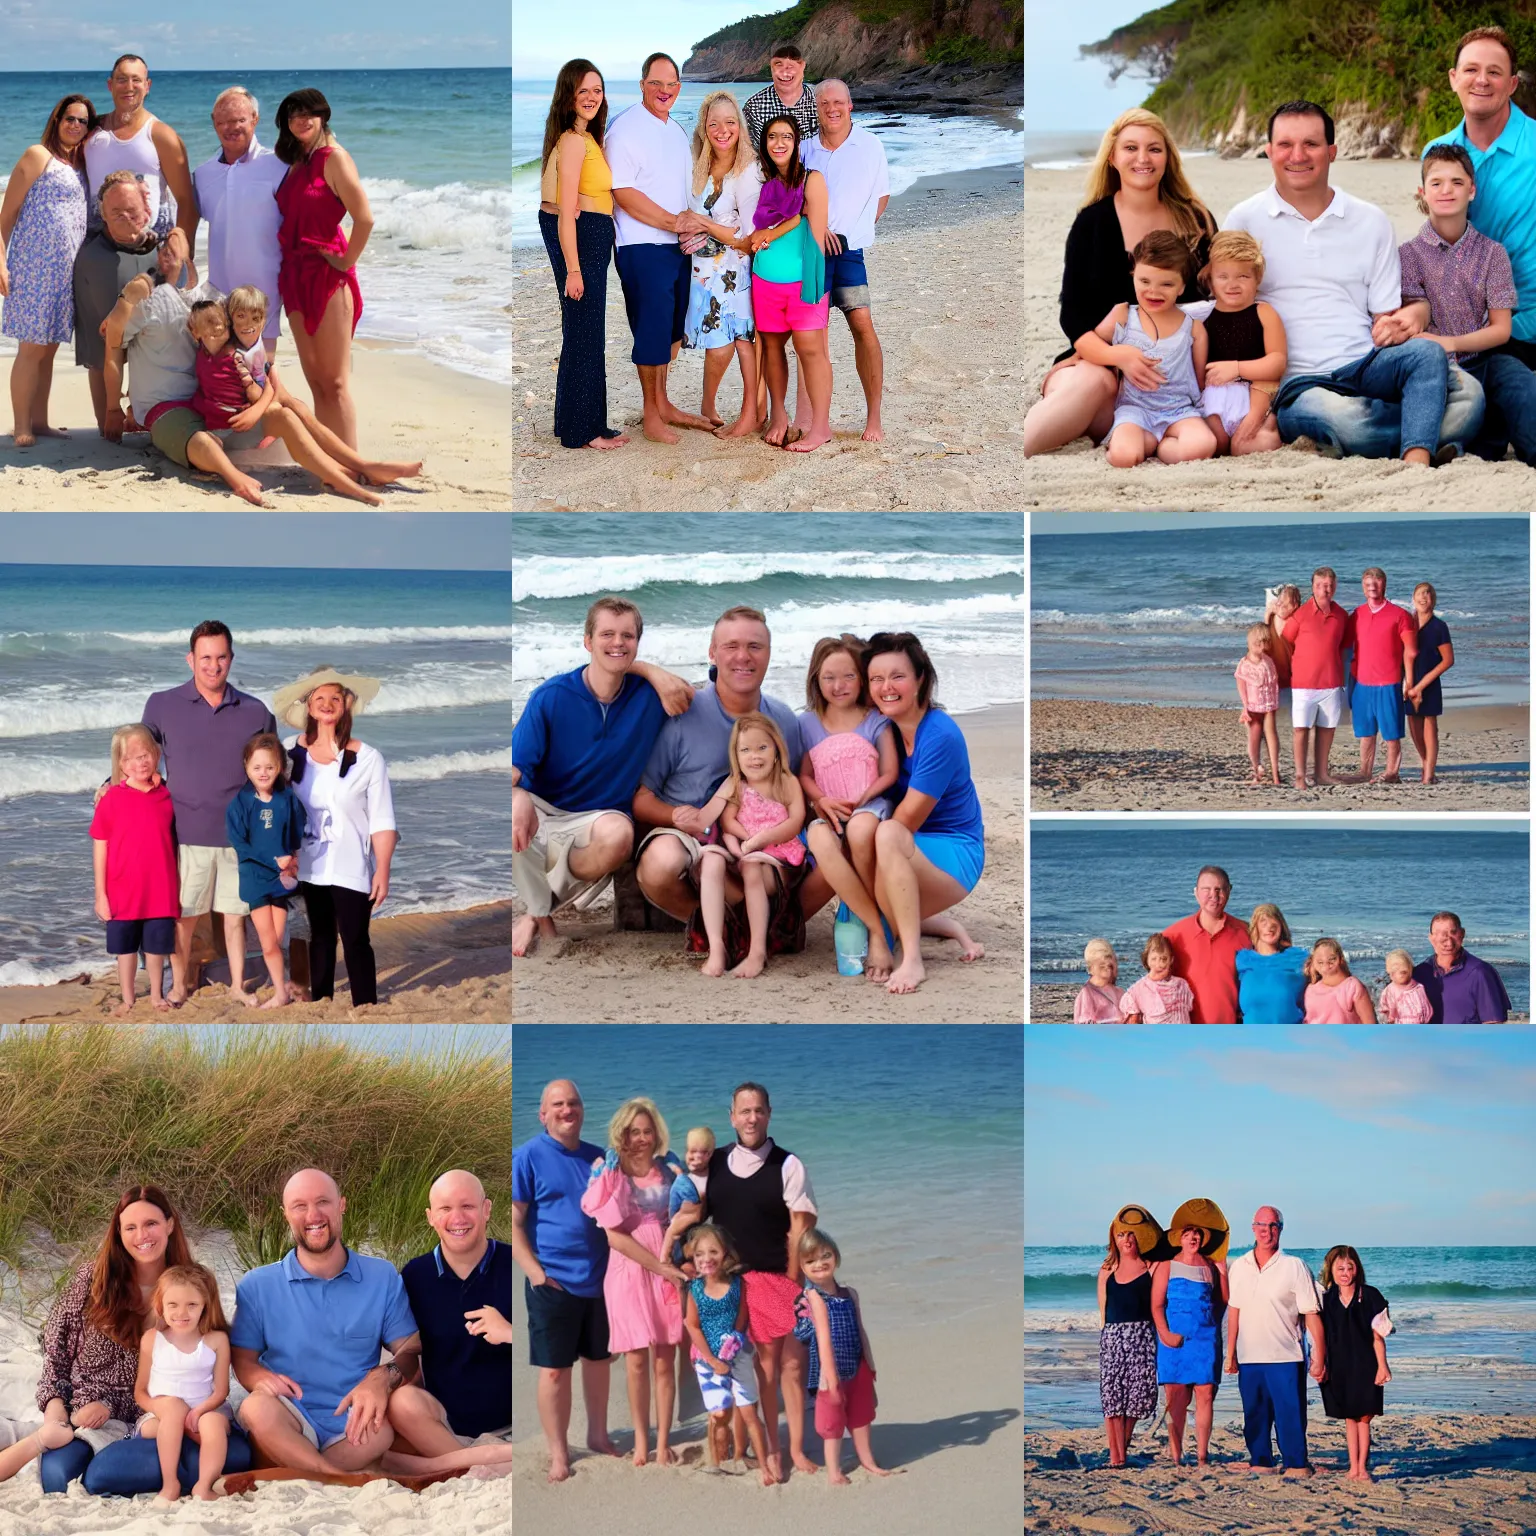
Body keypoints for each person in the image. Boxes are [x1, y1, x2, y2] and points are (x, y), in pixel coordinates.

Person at [1225, 100, 1483, 463]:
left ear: (1332, 151)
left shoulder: (1370, 220)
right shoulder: (1244, 220)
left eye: (1311, 144)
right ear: (1268, 151)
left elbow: (1385, 314)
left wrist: (1402, 321)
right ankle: (1419, 437)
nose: (1297, 155)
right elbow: (1225, 304)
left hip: (1367, 364)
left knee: (1468, 394)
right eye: (1285, 144)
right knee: (1353, 423)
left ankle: (1409, 437)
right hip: (1300, 383)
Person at [99, 237, 419, 504]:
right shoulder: (147, 303)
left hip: (218, 405)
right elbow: (112, 339)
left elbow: (263, 368)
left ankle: (356, 466)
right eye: (166, 257)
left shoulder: (214, 300)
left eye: (179, 255)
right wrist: (118, 407)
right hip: (175, 409)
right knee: (203, 438)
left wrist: (260, 409)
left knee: (290, 407)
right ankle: (235, 477)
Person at [634, 607, 832, 963]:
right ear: (712, 652)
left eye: (755, 646)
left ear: (769, 654)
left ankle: (769, 924)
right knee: (662, 861)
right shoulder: (681, 713)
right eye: (731, 646)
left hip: (764, 843)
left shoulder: (784, 720)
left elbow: (797, 789)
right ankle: (724, 928)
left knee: (835, 846)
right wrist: (677, 816)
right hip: (695, 837)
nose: (743, 656)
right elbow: (641, 797)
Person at [34, 1186, 253, 1496]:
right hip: (91, 1417)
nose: (142, 1235)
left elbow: (211, 1354)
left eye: (151, 1223)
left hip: (162, 1419)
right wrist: (57, 1417)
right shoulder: (90, 1280)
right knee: (60, 1477)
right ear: (119, 1233)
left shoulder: (189, 1288)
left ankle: (186, 1476)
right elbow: (55, 1360)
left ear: (170, 1225)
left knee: (233, 1452)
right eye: (131, 1227)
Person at [1025, 108, 1215, 457]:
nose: (1143, 158)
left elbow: (1215, 300)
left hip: (1175, 388)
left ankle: (1155, 440)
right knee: (1093, 379)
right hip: (1101, 368)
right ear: (1112, 157)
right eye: (1131, 148)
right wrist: (1119, 356)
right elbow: (1074, 318)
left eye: (1154, 149)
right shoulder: (1092, 223)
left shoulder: (1196, 220)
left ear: (1168, 158)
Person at [513, 597, 691, 957]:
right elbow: (516, 770)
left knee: (619, 836)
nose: (618, 643)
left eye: (627, 636)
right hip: (545, 807)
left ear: (638, 644)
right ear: (587, 641)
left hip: (599, 818)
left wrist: (648, 671)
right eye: (607, 634)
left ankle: (538, 907)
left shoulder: (648, 696)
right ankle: (539, 912)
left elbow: (686, 695)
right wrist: (517, 798)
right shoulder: (551, 697)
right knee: (509, 810)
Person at [231, 1168, 422, 1474]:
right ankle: (334, 1477)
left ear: (341, 1204)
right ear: (285, 1215)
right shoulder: (257, 1284)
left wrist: (383, 1377)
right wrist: (259, 1378)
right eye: (299, 1206)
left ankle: (305, 1472)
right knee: (256, 1407)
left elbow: (411, 1350)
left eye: (323, 1202)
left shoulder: (381, 1276)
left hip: (355, 1421)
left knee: (383, 1429)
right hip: (290, 1416)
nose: (313, 1215)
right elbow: (243, 1359)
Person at [142, 621, 276, 1005]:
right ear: (190, 659)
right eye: (205, 658)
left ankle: (237, 986)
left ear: (231, 659)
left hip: (239, 837)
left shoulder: (255, 711)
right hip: (186, 832)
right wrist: (109, 783)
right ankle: (179, 985)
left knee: (236, 920)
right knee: (183, 919)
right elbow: (140, 756)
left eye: (220, 657)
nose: (213, 666)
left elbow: (271, 772)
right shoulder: (161, 704)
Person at [1422, 26, 1536, 464]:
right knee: (1484, 434)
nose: (1481, 80)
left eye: (1494, 72)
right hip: (1469, 327)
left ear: (1511, 84)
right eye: (1471, 69)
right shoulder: (1439, 151)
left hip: (1523, 323)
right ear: (1454, 78)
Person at [704, 1083, 818, 1478]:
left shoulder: (788, 1165)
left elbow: (801, 1230)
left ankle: (791, 1450)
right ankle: (748, 1446)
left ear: (769, 1114)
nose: (752, 1118)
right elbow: (690, 1214)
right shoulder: (713, 1163)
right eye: (744, 1111)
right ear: (731, 1116)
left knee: (783, 1368)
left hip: (774, 1280)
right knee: (739, 1366)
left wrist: (792, 1285)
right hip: (728, 1287)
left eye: (759, 1111)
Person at [865, 632, 987, 994]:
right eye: (876, 678)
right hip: (912, 848)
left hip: (955, 852)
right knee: (861, 913)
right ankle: (940, 926)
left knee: (884, 834)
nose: (886, 687)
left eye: (897, 676)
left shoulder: (939, 736)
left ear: (920, 680)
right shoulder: (883, 727)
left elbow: (904, 823)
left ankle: (913, 959)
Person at [512, 1080, 619, 1483]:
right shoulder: (526, 1156)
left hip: (600, 1279)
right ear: (543, 1114)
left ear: (582, 1109)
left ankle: (597, 1434)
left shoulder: (598, 1158)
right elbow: (515, 1221)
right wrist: (537, 1273)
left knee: (599, 1361)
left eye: (573, 1102)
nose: (566, 1110)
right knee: (555, 1370)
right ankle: (558, 1452)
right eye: (557, 1104)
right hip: (551, 1281)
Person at [606, 53, 715, 444]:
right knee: (650, 332)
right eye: (656, 83)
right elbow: (623, 193)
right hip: (642, 246)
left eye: (671, 84)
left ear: (679, 88)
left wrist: (693, 225)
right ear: (642, 85)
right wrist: (674, 223)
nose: (664, 91)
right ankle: (652, 416)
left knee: (671, 331)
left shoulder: (676, 131)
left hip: (677, 247)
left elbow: (683, 188)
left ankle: (664, 404)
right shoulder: (624, 129)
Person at [273, 667, 396, 1008]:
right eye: (319, 698)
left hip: (351, 864)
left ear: (345, 705)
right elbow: (269, 798)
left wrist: (382, 869)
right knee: (320, 937)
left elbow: (383, 820)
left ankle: (366, 1005)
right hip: (306, 865)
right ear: (308, 706)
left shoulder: (368, 759)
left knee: (356, 938)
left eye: (335, 698)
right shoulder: (288, 753)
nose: (327, 704)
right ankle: (322, 1001)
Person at [1391, 146, 1521, 460]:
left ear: (1472, 191)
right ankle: (1450, 443)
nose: (1446, 190)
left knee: (1523, 396)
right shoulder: (1407, 255)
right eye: (1436, 183)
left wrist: (1450, 342)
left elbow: (1501, 329)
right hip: (1436, 368)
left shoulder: (1493, 253)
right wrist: (1440, 349)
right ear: (1422, 192)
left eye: (1457, 182)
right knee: (1466, 399)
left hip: (1484, 358)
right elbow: (1412, 322)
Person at [580, 1098, 687, 1468]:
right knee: (636, 1361)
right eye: (634, 1131)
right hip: (628, 1267)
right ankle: (642, 1442)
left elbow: (690, 1215)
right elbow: (613, 1236)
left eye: (647, 1131)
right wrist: (662, 1269)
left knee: (664, 1359)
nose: (641, 1138)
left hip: (666, 1260)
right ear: (621, 1133)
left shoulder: (670, 1169)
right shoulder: (608, 1170)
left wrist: (676, 1264)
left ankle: (663, 1443)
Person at [392, 1170, 514, 1474]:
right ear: (431, 1217)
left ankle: (454, 1466)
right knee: (403, 1401)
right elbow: (405, 1354)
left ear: (486, 1209)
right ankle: (474, 1460)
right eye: (445, 1209)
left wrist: (511, 1332)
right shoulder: (414, 1276)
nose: (457, 1218)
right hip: (447, 1426)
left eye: (467, 1206)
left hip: (517, 1422)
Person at [273, 89, 372, 449]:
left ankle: (350, 464)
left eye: (309, 112)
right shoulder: (297, 161)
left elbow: (364, 218)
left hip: (327, 276)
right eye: (293, 113)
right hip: (294, 276)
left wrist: (346, 262)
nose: (301, 119)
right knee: (316, 381)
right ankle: (332, 462)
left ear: (324, 116)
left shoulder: (335, 158)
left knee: (336, 383)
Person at [798, 634, 900, 982]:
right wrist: (820, 800)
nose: (838, 686)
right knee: (823, 841)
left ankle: (872, 931)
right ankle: (873, 924)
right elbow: (804, 774)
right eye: (828, 677)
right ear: (816, 679)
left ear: (861, 677)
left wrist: (863, 798)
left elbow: (890, 772)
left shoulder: (875, 719)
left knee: (858, 830)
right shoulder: (807, 723)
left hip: (870, 806)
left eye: (848, 676)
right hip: (827, 811)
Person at [539, 60, 628, 451]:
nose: (592, 97)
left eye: (597, 89)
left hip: (590, 233)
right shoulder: (574, 141)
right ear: (569, 96)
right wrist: (573, 269)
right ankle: (584, 431)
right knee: (585, 334)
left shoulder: (585, 136)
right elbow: (565, 210)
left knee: (581, 333)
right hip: (583, 239)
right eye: (583, 91)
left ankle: (575, 422)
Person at [0, 94, 93, 445]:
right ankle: (21, 425)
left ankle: (40, 421)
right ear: (57, 120)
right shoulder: (38, 156)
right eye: (70, 118)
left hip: (65, 271)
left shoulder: (78, 165)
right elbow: (5, 217)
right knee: (31, 348)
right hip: (33, 267)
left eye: (83, 121)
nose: (76, 125)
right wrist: (0, 262)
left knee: (50, 348)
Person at [801, 80, 890, 442]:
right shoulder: (805, 149)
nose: (831, 109)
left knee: (862, 325)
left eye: (838, 102)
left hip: (849, 250)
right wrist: (817, 230)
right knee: (814, 336)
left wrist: (855, 231)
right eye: (824, 104)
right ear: (816, 108)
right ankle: (817, 420)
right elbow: (797, 201)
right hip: (811, 252)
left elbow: (881, 195)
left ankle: (874, 419)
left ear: (850, 105)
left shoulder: (870, 145)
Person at [1079, 231, 1215, 468]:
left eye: (1166, 284)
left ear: (1182, 286)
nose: (1153, 291)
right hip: (1135, 409)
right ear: (1133, 275)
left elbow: (1199, 381)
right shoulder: (1123, 315)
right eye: (1144, 282)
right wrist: (1073, 359)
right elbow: (1092, 343)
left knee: (1203, 445)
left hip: (1179, 410)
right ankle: (1147, 442)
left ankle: (1162, 448)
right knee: (1124, 457)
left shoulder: (1193, 328)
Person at [696, 712, 807, 979]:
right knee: (711, 860)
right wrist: (739, 844)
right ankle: (716, 947)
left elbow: (795, 822)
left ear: (776, 750)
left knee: (752, 866)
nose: (754, 756)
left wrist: (760, 841)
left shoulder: (787, 781)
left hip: (777, 856)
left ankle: (757, 952)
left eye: (762, 748)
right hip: (744, 851)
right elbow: (727, 821)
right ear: (736, 755)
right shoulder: (736, 785)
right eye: (746, 750)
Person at [73, 170, 184, 432]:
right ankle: (109, 417)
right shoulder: (93, 258)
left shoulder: (159, 246)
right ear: (103, 215)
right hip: (102, 300)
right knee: (104, 348)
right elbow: (109, 335)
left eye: (131, 210)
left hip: (153, 342)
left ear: (146, 208)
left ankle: (142, 410)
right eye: (116, 212)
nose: (125, 217)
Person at [750, 115, 832, 451]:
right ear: (765, 143)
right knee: (772, 349)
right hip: (765, 280)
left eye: (786, 136)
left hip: (803, 280)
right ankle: (779, 415)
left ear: (797, 143)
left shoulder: (812, 179)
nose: (779, 143)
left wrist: (771, 232)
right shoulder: (761, 182)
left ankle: (820, 427)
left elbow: (812, 223)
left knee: (810, 350)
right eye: (772, 137)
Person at [682, 91, 762, 437]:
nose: (722, 129)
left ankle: (753, 414)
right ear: (704, 126)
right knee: (716, 344)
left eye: (730, 122)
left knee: (741, 341)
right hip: (701, 272)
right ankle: (708, 404)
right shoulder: (695, 165)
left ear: (740, 127)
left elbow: (750, 237)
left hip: (736, 270)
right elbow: (683, 213)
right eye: (714, 123)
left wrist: (705, 225)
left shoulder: (748, 171)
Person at [1224, 1206, 1324, 1475]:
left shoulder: (1294, 1266)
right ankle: (1261, 1461)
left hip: (1286, 1356)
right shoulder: (1239, 1267)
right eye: (1261, 1225)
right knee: (1254, 1414)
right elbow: (1234, 1311)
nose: (1266, 1231)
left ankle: (1296, 1463)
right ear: (1253, 1228)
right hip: (1249, 1356)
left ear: (1280, 1229)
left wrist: (1320, 1356)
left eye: (1273, 1226)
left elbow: (1311, 1313)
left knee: (1290, 1414)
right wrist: (1230, 1352)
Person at [193, 87, 287, 365]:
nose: (230, 128)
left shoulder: (279, 165)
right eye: (222, 122)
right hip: (219, 297)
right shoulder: (202, 175)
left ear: (255, 119)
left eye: (238, 120)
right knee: (223, 381)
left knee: (261, 377)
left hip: (264, 298)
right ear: (213, 122)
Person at [794, 1228, 895, 1484]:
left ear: (836, 1258)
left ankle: (867, 1460)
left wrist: (869, 1366)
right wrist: (831, 1378)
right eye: (810, 1260)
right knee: (832, 1423)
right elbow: (822, 1339)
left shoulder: (850, 1294)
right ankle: (834, 1470)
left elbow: (860, 1330)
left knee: (862, 1415)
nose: (819, 1263)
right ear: (802, 1267)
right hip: (829, 1372)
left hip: (857, 1364)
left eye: (825, 1255)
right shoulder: (812, 1298)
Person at [90, 723, 177, 1015]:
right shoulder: (111, 798)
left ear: (156, 754)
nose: (141, 761)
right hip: (121, 890)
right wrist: (100, 894)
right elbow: (100, 846)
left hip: (161, 888)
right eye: (132, 758)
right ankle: (127, 998)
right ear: (122, 764)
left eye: (147, 754)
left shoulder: (167, 795)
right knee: (125, 950)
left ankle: (156, 994)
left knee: (156, 949)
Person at [682, 1224, 777, 1484]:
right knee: (720, 1413)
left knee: (748, 1412)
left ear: (725, 1253)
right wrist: (712, 1360)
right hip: (707, 1360)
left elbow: (742, 1316)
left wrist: (736, 1338)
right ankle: (717, 1461)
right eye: (700, 1254)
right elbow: (691, 1324)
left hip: (738, 1356)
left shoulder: (737, 1284)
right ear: (693, 1256)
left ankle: (764, 1466)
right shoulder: (696, 1290)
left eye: (713, 1251)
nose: (706, 1258)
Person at [132, 1264, 231, 1505]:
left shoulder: (216, 1340)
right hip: (160, 1418)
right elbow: (140, 1391)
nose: (181, 1313)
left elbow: (221, 1390)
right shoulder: (152, 1339)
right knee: (175, 1409)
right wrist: (161, 1408)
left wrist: (199, 1410)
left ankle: (204, 1486)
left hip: (205, 1408)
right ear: (161, 1306)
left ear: (204, 1305)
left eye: (192, 1305)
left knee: (213, 1423)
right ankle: (170, 1484)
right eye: (173, 1305)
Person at [224, 731, 306, 1009]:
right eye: (256, 767)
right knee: (268, 942)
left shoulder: (287, 799)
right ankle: (281, 993)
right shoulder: (241, 803)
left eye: (269, 767)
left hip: (281, 880)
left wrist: (292, 860)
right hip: (256, 880)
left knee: (278, 940)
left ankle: (281, 988)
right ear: (246, 766)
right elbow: (241, 844)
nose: (263, 772)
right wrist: (275, 860)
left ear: (280, 768)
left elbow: (296, 832)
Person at [1151, 1202, 1229, 1467]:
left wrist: (1224, 1273)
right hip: (1173, 1340)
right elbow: (1157, 1305)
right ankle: (1176, 1454)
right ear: (1180, 1239)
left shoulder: (1209, 1266)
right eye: (1187, 1234)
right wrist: (1165, 1334)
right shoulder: (1166, 1266)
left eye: (1197, 1234)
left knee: (1205, 1394)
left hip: (1205, 1339)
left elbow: (1222, 1302)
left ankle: (1202, 1455)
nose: (1193, 1238)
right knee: (1176, 1397)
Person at [1198, 230, 1286, 455]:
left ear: (1257, 279)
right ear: (1210, 279)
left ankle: (1272, 430)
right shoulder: (1203, 316)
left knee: (1244, 446)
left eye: (1243, 277)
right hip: (1214, 399)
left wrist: (1236, 368)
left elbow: (1277, 362)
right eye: (1223, 276)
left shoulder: (1264, 312)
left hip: (1253, 395)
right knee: (1214, 445)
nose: (1232, 284)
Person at [1318, 1245, 1392, 1481]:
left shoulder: (1370, 1296)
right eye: (1340, 1268)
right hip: (1339, 1366)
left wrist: (1383, 1366)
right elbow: (1318, 1336)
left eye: (1350, 1267)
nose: (1345, 1272)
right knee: (1349, 1417)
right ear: (1331, 1270)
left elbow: (1378, 1336)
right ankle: (1353, 1468)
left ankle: (1362, 1468)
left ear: (1357, 1270)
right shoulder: (1326, 1300)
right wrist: (1319, 1364)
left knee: (1364, 1417)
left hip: (1366, 1365)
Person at [1096, 1205, 1160, 1469]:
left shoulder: (1151, 1267)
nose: (1127, 1240)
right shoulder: (1107, 1268)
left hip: (1142, 1337)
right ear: (1114, 1238)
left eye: (1132, 1234)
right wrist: (1106, 1338)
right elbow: (1103, 1311)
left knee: (1139, 1397)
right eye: (1121, 1234)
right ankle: (1116, 1457)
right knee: (1113, 1399)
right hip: (1113, 1338)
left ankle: (1121, 1448)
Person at [1345, 567, 1417, 784]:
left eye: (1376, 583)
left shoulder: (1400, 615)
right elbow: (1343, 648)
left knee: (1391, 733)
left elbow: (1411, 650)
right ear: (1362, 588)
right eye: (1368, 584)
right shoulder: (1355, 615)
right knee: (1366, 733)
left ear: (1384, 585)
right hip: (1361, 683)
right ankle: (1365, 771)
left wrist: (1409, 681)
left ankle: (1392, 772)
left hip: (1389, 682)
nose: (1372, 588)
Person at [1282, 567, 1349, 789]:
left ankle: (1321, 774)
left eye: (1329, 585)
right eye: (1321, 585)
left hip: (1332, 683)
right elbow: (1286, 641)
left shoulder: (1341, 615)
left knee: (1327, 729)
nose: (1325, 589)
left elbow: (1345, 645)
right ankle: (1300, 775)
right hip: (1303, 684)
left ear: (1335, 586)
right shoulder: (1299, 615)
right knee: (1300, 729)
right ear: (1313, 586)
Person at [1163, 864, 1253, 1023]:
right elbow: (1153, 983)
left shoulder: (1248, 933)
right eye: (1206, 889)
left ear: (1229, 891)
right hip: (1185, 1031)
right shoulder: (1172, 936)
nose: (1214, 895)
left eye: (1220, 889)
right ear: (1196, 892)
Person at [185, 297, 270, 431]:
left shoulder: (236, 358)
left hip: (237, 423)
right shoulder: (202, 351)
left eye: (221, 323)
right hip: (214, 423)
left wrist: (255, 407)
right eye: (209, 322)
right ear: (195, 333)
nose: (217, 327)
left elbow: (256, 393)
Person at [1412, 910, 1511, 1023]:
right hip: (1429, 1040)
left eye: (1453, 933)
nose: (1448, 942)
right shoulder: (1419, 974)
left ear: (1462, 934)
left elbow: (1493, 1024)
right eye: (1440, 934)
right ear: (1431, 938)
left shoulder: (1480, 972)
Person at [1405, 580, 1454, 784]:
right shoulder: (1407, 623)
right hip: (1408, 682)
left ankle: (1429, 774)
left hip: (1430, 683)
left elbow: (1448, 660)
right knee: (1414, 727)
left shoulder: (1439, 626)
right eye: (1420, 593)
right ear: (1413, 598)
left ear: (1433, 600)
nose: (1424, 597)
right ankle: (1426, 764)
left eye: (1429, 594)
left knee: (1429, 725)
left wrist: (1421, 686)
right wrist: (1408, 684)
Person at [1235, 904, 1307, 1024]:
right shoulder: (1242, 959)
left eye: (1274, 923)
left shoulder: (1298, 957)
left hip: (1289, 1036)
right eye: (1263, 922)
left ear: (1281, 926)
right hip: (1250, 1037)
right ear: (1255, 927)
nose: (1269, 927)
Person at [743, 42, 819, 150]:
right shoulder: (754, 107)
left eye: (790, 66)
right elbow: (749, 154)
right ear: (771, 67)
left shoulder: (821, 102)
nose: (784, 73)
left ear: (802, 66)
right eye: (778, 65)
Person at [1235, 623, 1282, 786]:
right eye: (1258, 644)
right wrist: (1245, 706)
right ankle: (1256, 768)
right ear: (1250, 643)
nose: (1262, 647)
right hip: (1253, 707)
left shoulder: (1267, 661)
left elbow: (1273, 685)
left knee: (1271, 735)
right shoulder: (1244, 664)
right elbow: (1241, 686)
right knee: (1253, 739)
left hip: (1268, 705)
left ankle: (1275, 773)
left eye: (1265, 643)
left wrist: (1275, 702)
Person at [1118, 933, 1195, 1023]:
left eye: (1164, 959)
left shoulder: (1181, 985)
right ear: (1147, 959)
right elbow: (1129, 1012)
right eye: (1154, 959)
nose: (1159, 964)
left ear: (1171, 960)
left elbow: (1188, 1009)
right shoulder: (1139, 988)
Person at [1302, 937, 1375, 1023]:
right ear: (1313, 961)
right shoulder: (1311, 989)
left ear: (1340, 959)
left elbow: (1370, 1023)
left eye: (1332, 959)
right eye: (1320, 961)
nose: (1325, 963)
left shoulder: (1352, 987)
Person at [1074, 938, 1125, 1022]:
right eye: (1102, 965)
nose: (1107, 964)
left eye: (1111, 964)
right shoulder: (1087, 994)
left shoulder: (1119, 992)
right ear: (1091, 968)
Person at [1378, 948, 1434, 1023]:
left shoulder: (1419, 988)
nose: (1400, 973)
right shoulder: (1390, 990)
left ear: (1410, 969)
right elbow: (1384, 1012)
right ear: (1390, 974)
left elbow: (1427, 1010)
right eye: (1395, 970)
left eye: (1404, 971)